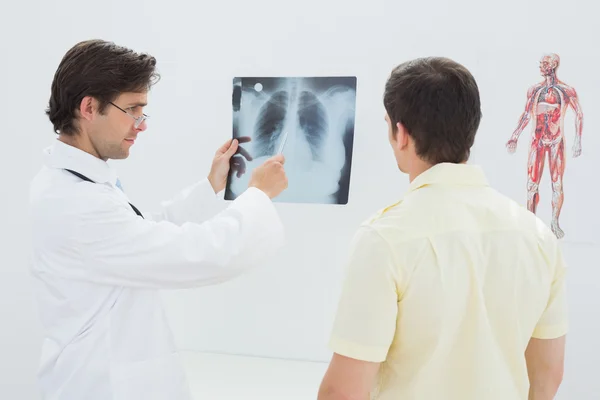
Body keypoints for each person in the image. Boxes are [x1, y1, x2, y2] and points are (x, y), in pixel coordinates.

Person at [28, 39, 288, 400]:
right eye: (133, 110)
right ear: (89, 107)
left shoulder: (78, 183)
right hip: (100, 386)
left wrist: (211, 186)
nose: (142, 124)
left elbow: (140, 233)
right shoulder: (75, 203)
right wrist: (259, 196)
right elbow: (201, 255)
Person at [318, 57, 568, 400]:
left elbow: (343, 392)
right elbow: (547, 377)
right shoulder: (538, 237)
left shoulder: (385, 239)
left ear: (400, 133)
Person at [506, 53, 583, 239]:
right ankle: (530, 223)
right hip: (537, 141)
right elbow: (526, 115)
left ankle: (555, 222)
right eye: (541, 63)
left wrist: (577, 140)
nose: (541, 65)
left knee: (556, 184)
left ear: (554, 65)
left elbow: (579, 114)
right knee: (532, 184)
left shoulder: (566, 90)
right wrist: (515, 136)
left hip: (556, 141)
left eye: (545, 63)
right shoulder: (534, 90)